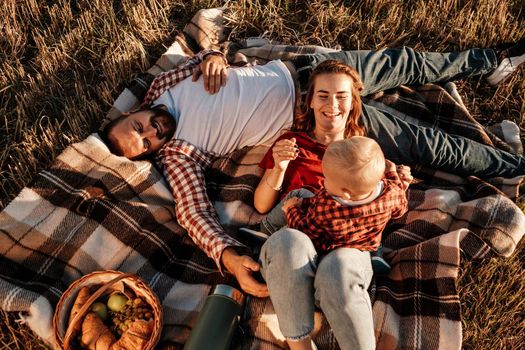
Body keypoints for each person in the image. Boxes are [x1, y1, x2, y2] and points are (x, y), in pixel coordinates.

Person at [100, 39, 525, 298]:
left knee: (406, 63)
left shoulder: (163, 84)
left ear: (135, 110)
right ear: (153, 153)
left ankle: (492, 60)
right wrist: (228, 257)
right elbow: (192, 211)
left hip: (305, 73)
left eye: (140, 127)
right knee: (428, 144)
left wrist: (212, 56)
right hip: (318, 120)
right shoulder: (179, 155)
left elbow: (209, 50)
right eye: (146, 145)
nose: (152, 132)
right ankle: (514, 167)